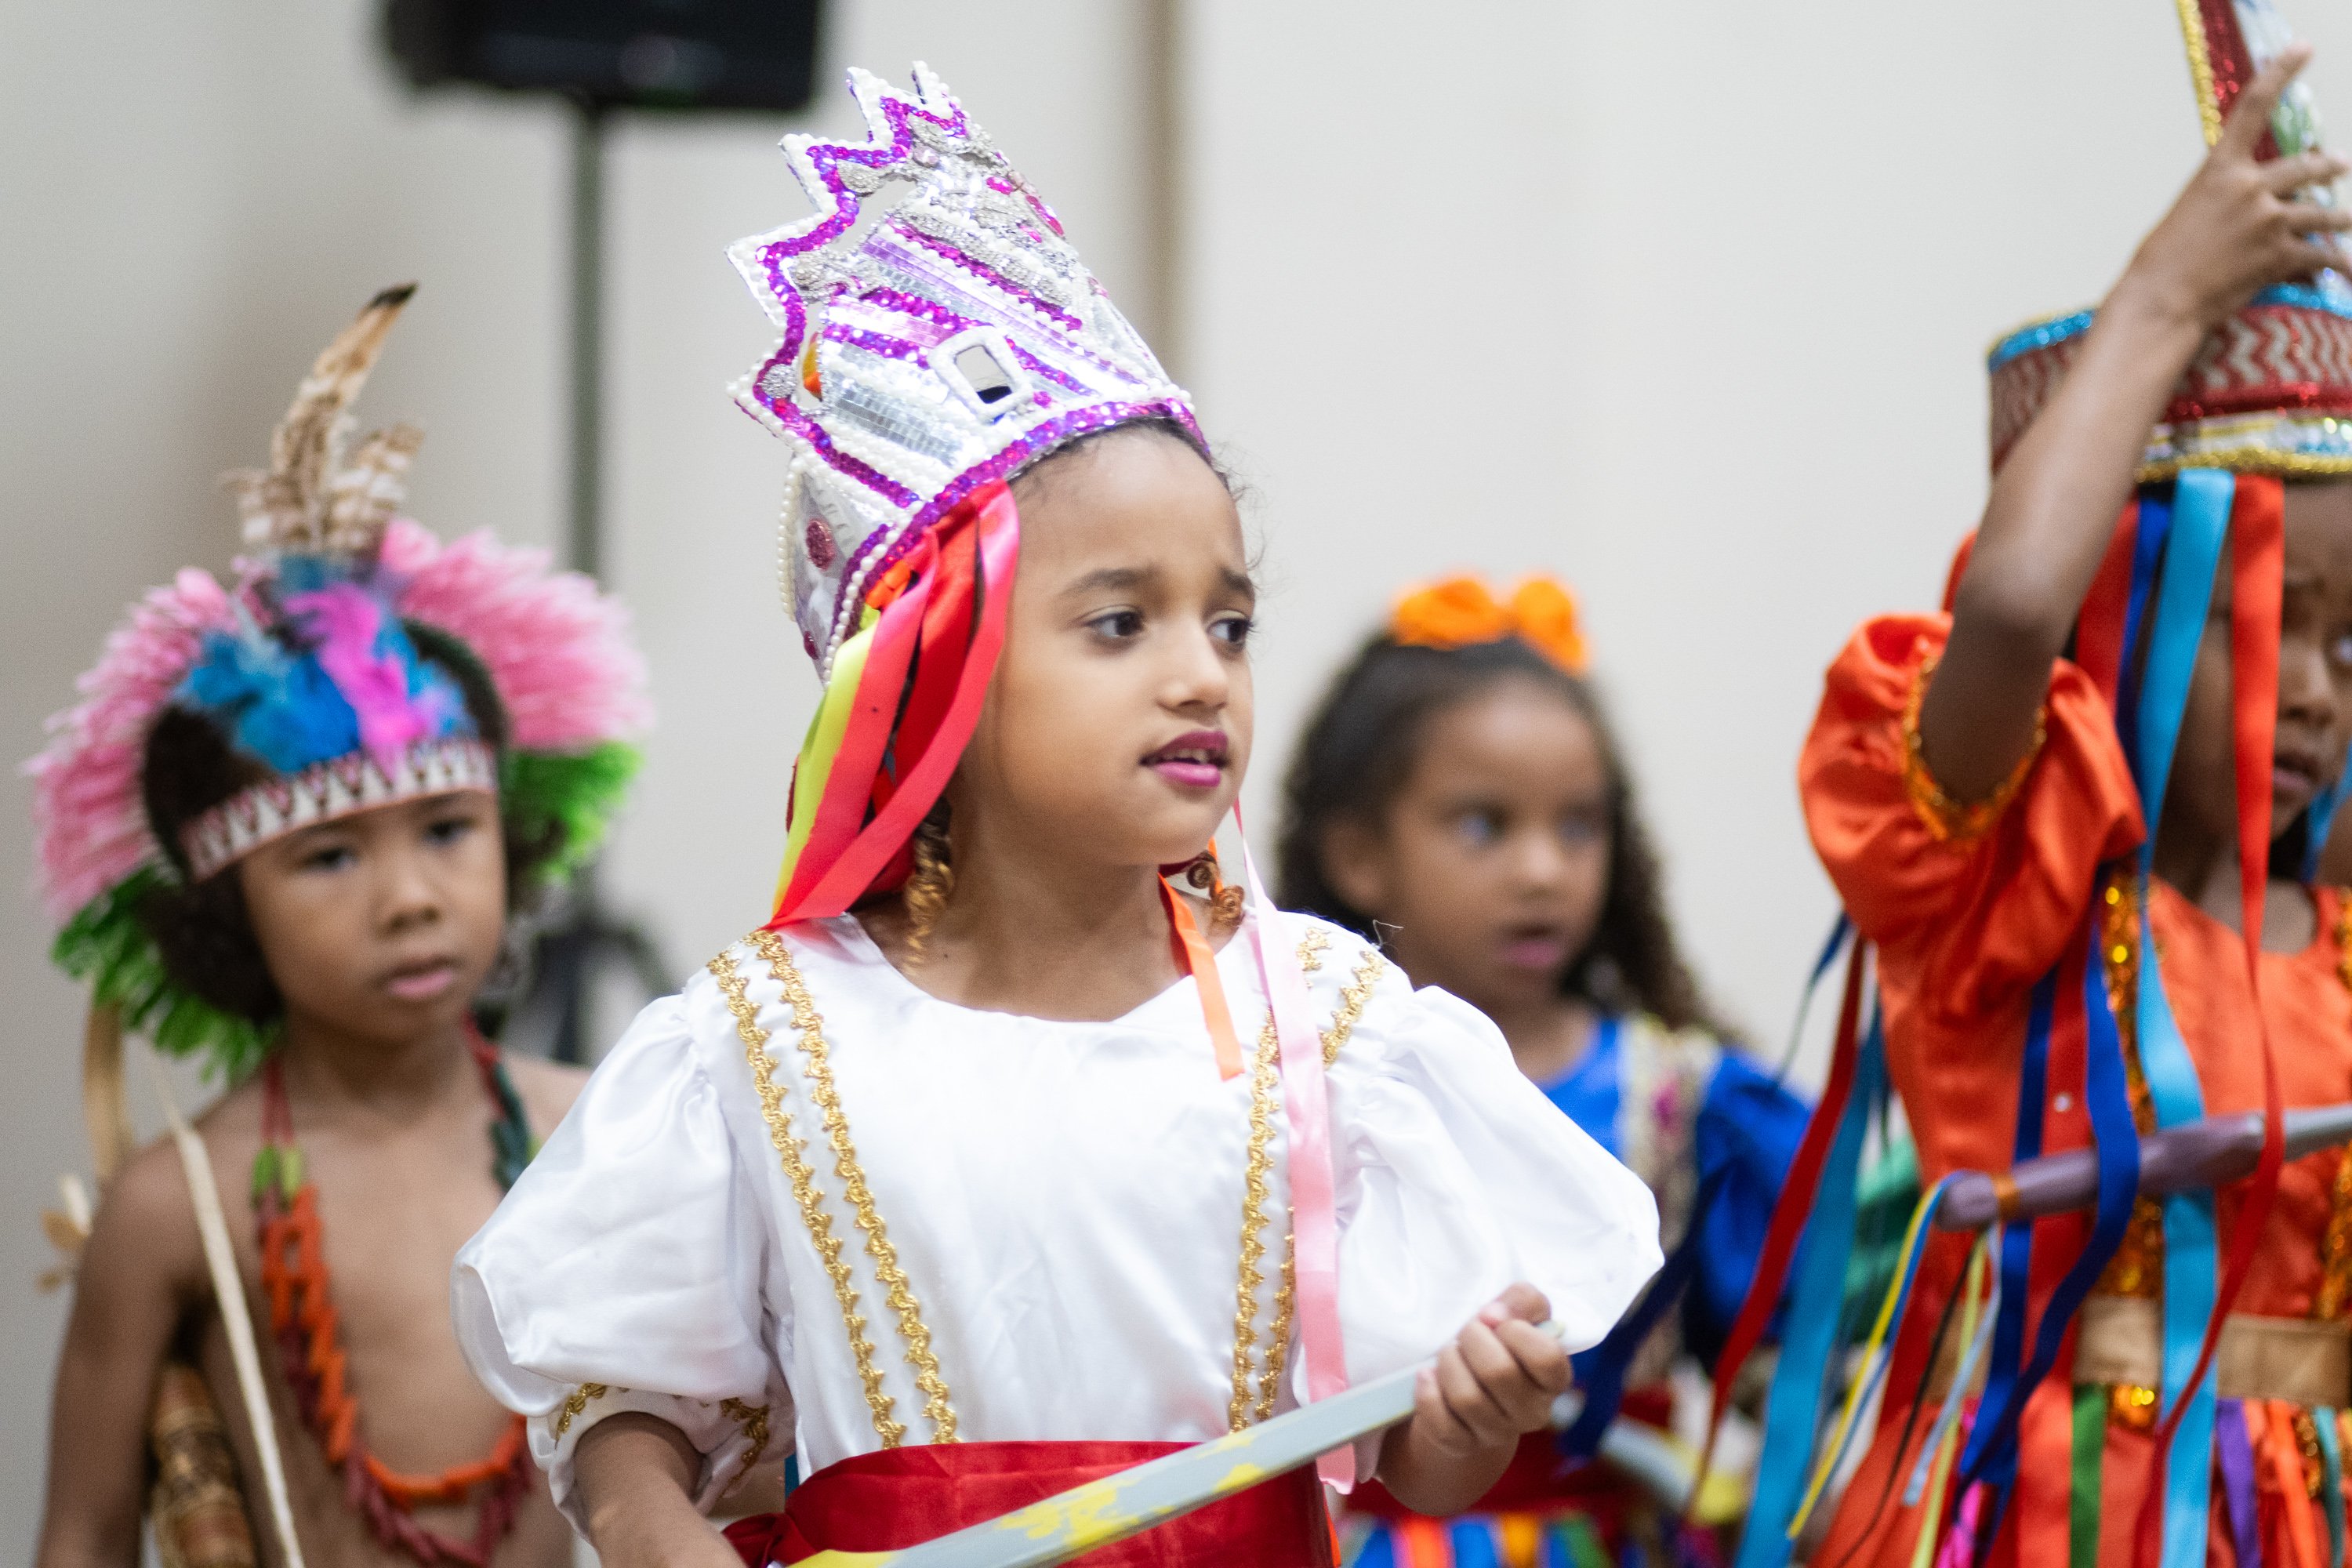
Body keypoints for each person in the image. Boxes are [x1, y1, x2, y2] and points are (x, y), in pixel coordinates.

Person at [447, 63, 1662, 1568]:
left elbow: (1417, 1464)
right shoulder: (767, 1037)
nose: (1199, 674)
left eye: (1229, 623)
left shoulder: (1328, 1019)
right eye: (1119, 624)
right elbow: (629, 1401)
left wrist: (1469, 1416)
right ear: (937, 677)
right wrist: (652, 1531)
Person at [1762, 11, 2352, 1566]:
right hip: (2058, 1518)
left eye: (2351, 644)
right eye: (2259, 618)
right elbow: (2015, 605)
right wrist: (2168, 294)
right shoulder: (2012, 896)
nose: (2314, 688)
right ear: (2119, 621)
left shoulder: (2343, 924)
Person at [31, 287, 652, 1568]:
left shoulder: (587, 1136)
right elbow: (83, 1532)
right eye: (328, 856)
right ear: (228, 913)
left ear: (514, 840)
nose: (410, 897)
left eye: (447, 831)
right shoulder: (177, 1205)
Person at [1278, 575, 1808, 1566]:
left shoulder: (1686, 1100)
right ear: (1358, 855)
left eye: (1577, 825)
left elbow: (1808, 1370)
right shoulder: (1293, 1090)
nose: (1543, 870)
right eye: (1484, 824)